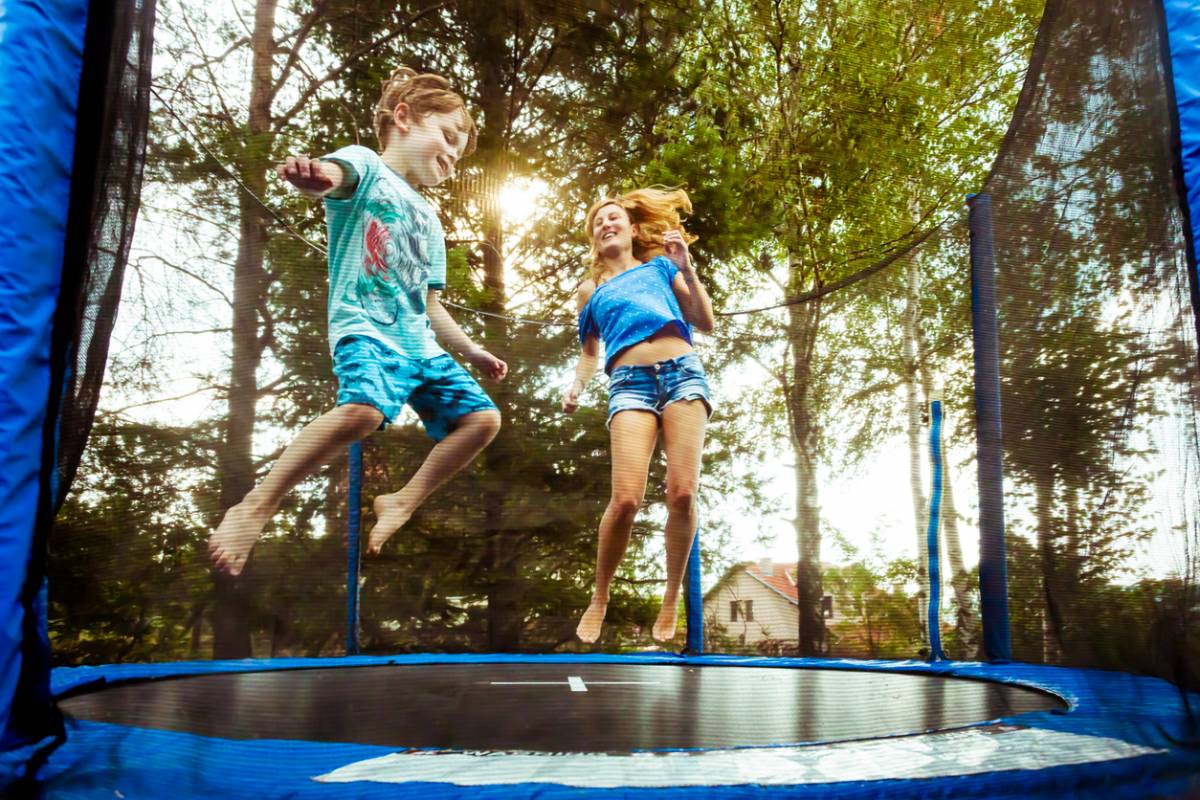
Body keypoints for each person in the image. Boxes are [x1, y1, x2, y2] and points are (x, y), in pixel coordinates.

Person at [209, 67, 507, 577]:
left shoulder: (430, 221)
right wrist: (317, 178)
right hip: (366, 328)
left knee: (481, 420)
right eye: (449, 138)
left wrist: (472, 351)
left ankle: (403, 501)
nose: (453, 156)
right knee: (365, 412)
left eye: (460, 153)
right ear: (404, 118)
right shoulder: (367, 166)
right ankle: (256, 505)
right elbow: (335, 176)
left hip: (419, 346)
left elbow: (430, 304)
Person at [563, 187, 716, 643]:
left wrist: (687, 267)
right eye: (598, 222)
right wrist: (576, 386)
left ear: (631, 230)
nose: (606, 224)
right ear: (595, 238)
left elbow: (703, 321)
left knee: (682, 494)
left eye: (613, 218)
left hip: (682, 373)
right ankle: (600, 595)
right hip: (630, 384)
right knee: (626, 499)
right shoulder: (591, 290)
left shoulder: (661, 268)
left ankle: (671, 597)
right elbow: (590, 354)